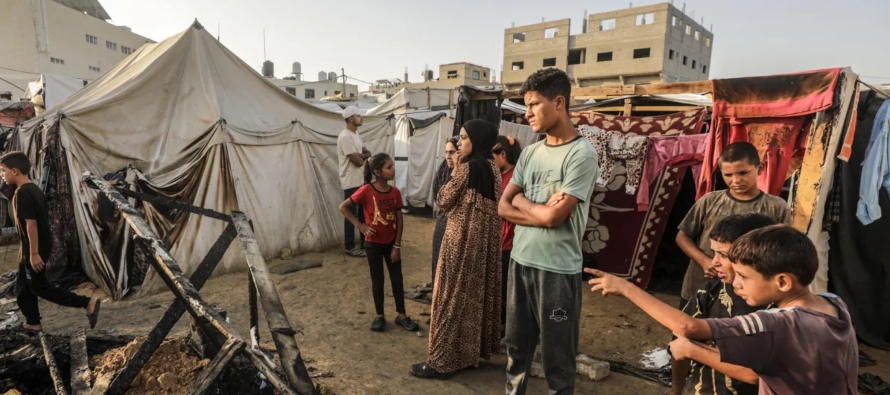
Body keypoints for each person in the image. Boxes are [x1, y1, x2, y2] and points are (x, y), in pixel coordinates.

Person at [586, 225, 858, 395]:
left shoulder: (775, 323)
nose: (736, 283)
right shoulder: (833, 302)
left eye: (744, 276)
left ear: (783, 282)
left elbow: (688, 328)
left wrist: (625, 288)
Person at [498, 68, 599, 395]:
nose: (527, 114)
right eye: (525, 106)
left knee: (558, 359)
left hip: (557, 272)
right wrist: (537, 208)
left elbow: (556, 219)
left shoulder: (581, 155)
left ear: (559, 102)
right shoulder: (529, 153)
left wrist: (523, 201)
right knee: (516, 350)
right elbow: (502, 206)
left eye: (533, 104)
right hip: (520, 262)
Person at [409, 119, 503, 379]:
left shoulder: (467, 168)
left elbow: (443, 199)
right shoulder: (492, 167)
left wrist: (454, 172)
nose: (459, 142)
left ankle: (442, 362)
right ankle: (468, 355)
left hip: (460, 241)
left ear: (477, 139)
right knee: (472, 299)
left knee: (449, 298)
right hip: (483, 244)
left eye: (463, 137)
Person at [676, 142, 790, 309]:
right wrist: (704, 261)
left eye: (743, 172)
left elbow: (782, 248)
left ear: (759, 169)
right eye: (728, 175)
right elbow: (682, 236)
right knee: (687, 329)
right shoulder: (709, 201)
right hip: (700, 283)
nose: (736, 180)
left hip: (748, 291)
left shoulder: (776, 206)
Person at [671, 213, 776, 395]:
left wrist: (693, 350)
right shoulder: (709, 293)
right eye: (714, 253)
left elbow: (755, 375)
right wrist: (677, 388)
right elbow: (679, 347)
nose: (714, 262)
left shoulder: (781, 309)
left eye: (724, 255)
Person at [1, 152, 101, 333]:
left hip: (35, 248)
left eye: (3, 170)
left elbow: (31, 224)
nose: (2, 175)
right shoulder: (34, 189)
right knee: (23, 289)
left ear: (15, 171)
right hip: (33, 246)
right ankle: (33, 323)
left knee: (39, 287)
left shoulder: (23, 193)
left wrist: (33, 254)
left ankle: (87, 303)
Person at [339, 153, 419, 332]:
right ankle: (379, 315)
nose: (393, 170)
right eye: (388, 167)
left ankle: (402, 315)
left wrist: (397, 245)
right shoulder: (366, 190)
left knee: (397, 279)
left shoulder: (395, 192)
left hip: (391, 244)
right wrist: (360, 225)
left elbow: (399, 220)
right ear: (377, 172)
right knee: (378, 279)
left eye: (392, 166)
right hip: (373, 244)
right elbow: (343, 207)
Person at [491, 135, 522, 330]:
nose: (492, 163)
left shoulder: (515, 179)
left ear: (503, 154)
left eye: (493, 157)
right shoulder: (500, 176)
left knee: (504, 288)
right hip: (497, 239)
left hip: (508, 241)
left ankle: (503, 327)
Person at [338, 106, 372, 258]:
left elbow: (367, 153)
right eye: (359, 115)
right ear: (351, 118)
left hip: (359, 180)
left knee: (363, 213)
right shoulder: (345, 136)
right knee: (351, 213)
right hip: (350, 181)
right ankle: (350, 245)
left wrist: (360, 155)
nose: (361, 118)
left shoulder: (356, 135)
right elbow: (358, 162)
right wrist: (361, 156)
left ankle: (365, 242)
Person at [430, 136, 459, 286]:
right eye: (446, 152)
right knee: (438, 262)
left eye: (452, 152)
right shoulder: (443, 170)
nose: (448, 156)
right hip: (442, 223)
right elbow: (439, 197)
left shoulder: (465, 173)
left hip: (457, 226)